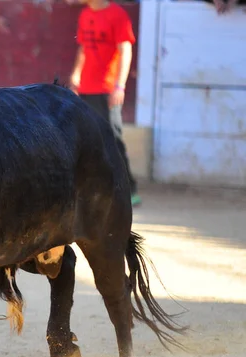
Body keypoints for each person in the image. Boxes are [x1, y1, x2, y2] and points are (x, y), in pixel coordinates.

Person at [67, 0, 141, 206]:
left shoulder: (118, 15)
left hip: (107, 89)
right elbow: (83, 48)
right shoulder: (85, 14)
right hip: (86, 89)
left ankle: (129, 188)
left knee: (113, 138)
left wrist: (119, 86)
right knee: (86, 138)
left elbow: (125, 50)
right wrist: (75, 77)